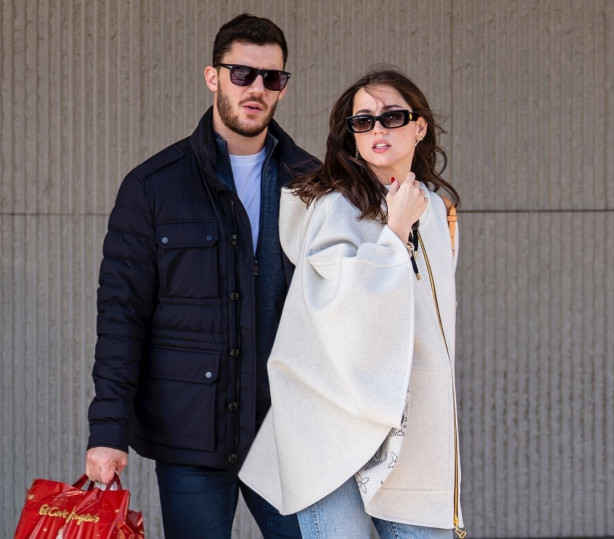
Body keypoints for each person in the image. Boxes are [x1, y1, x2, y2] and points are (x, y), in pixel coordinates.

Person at [84, 13, 317, 538]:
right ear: (212, 77)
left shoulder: (312, 185)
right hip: (192, 436)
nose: (256, 88)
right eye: (242, 74)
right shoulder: (152, 187)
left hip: (287, 436)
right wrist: (107, 430)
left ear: (283, 86)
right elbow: (121, 315)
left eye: (271, 78)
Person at [239, 68, 464, 539]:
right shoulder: (332, 206)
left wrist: (413, 222)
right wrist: (394, 234)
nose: (377, 129)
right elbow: (336, 310)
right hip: (332, 424)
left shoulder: (435, 207)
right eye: (363, 121)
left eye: (392, 117)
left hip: (412, 423)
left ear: (419, 127)